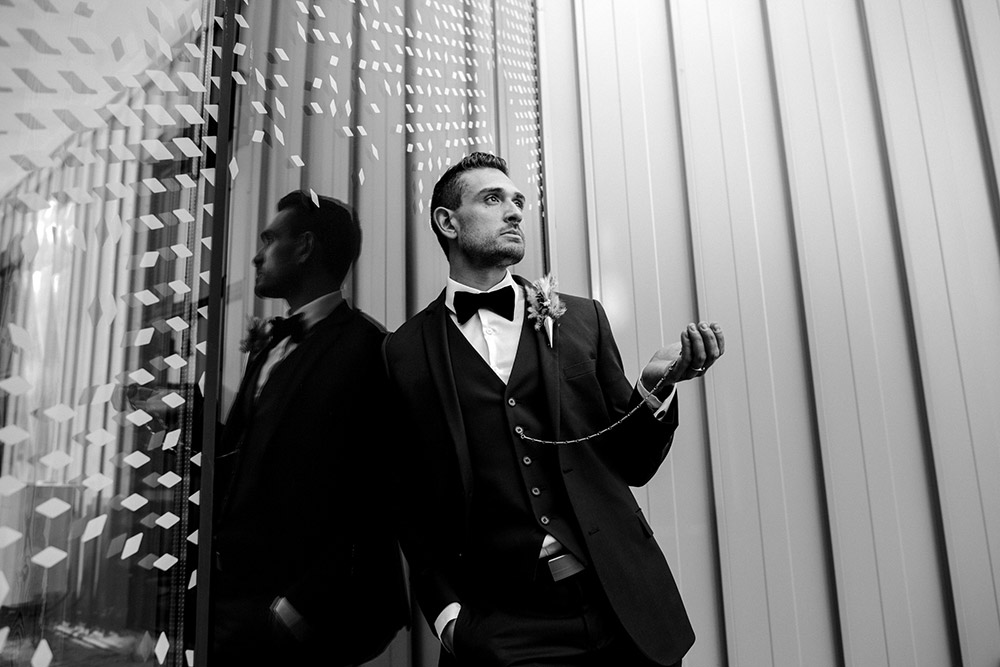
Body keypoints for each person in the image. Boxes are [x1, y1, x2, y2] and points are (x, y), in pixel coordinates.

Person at [383, 153, 723, 667]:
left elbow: (631, 463)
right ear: (447, 222)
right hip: (505, 625)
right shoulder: (403, 351)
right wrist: (449, 618)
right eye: (493, 199)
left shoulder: (583, 318)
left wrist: (653, 391)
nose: (515, 211)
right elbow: (409, 500)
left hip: (618, 603)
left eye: (518, 200)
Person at [211, 191, 408, 665]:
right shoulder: (270, 346)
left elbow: (375, 490)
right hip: (235, 599)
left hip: (304, 616)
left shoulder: (367, 349)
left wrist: (298, 610)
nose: (258, 254)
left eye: (270, 238)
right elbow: (248, 451)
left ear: (304, 246)